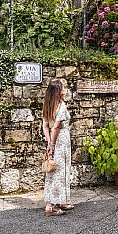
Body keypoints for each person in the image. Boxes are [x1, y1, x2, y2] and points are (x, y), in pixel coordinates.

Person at [42, 79, 74, 216]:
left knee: (55, 170)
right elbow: (55, 127)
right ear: (58, 91)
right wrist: (53, 144)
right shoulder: (61, 106)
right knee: (59, 172)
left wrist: (49, 143)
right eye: (63, 87)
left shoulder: (48, 106)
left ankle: (60, 201)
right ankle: (51, 206)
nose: (65, 89)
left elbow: (45, 126)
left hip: (54, 141)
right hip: (61, 141)